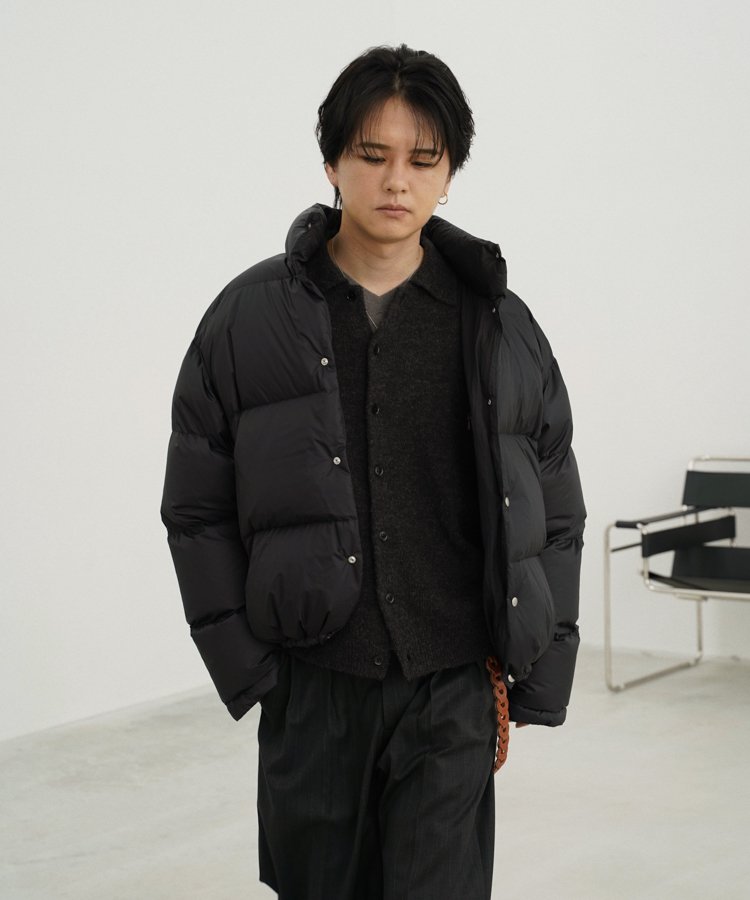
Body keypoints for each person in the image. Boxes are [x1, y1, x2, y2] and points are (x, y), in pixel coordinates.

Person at [160, 43, 585, 900]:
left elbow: (554, 497)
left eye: (423, 160)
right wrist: (253, 672)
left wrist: (541, 666)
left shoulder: (498, 324)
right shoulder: (248, 319)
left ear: (449, 172)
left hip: (453, 684)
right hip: (315, 688)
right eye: (372, 154)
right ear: (331, 162)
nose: (397, 181)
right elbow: (197, 507)